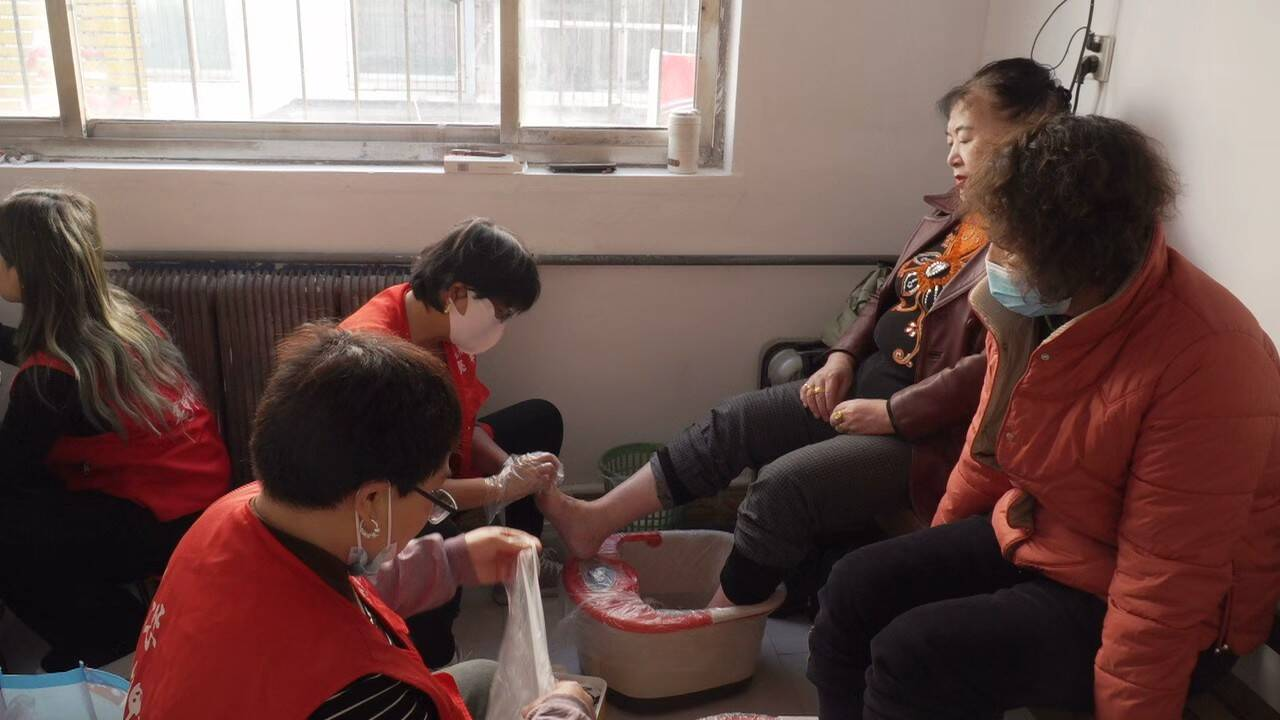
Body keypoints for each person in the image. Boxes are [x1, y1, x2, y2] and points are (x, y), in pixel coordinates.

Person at [540, 58, 1071, 609]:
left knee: (781, 486)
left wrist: (893, 415)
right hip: (863, 391)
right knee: (735, 421)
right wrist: (841, 358)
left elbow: (996, 368)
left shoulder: (1031, 248)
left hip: (922, 437)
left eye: (966, 138)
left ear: (1025, 134)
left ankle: (716, 623)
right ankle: (594, 520)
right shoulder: (958, 215)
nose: (952, 155)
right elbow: (884, 297)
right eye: (949, 140)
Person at [806, 115, 1280, 720]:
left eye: (1010, 245)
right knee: (854, 586)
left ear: (1075, 254)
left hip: (1162, 608)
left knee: (913, 655)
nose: (995, 260)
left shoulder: (1208, 357)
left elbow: (1167, 582)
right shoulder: (1033, 309)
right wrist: (937, 553)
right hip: (1047, 534)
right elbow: (987, 453)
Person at [125, 325, 595, 720]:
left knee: (483, 678)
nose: (435, 510)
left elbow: (329, 599)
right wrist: (563, 708)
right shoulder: (365, 694)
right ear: (371, 500)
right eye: (435, 494)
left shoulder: (234, 514)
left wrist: (453, 562)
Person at [0, 188, 230, 670]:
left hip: (162, 518)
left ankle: (111, 636)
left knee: (13, 530)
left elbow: (11, 472)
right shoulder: (118, 316)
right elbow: (35, 351)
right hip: (197, 488)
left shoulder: (49, 379)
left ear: (24, 269)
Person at [341, 217, 564, 664]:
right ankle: (433, 663)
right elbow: (405, 492)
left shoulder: (447, 329)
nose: (501, 325)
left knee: (541, 419)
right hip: (378, 501)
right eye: (501, 313)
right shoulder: (377, 359)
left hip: (435, 462)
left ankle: (513, 562)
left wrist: (510, 465)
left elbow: (466, 425)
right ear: (458, 293)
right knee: (438, 540)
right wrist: (499, 487)